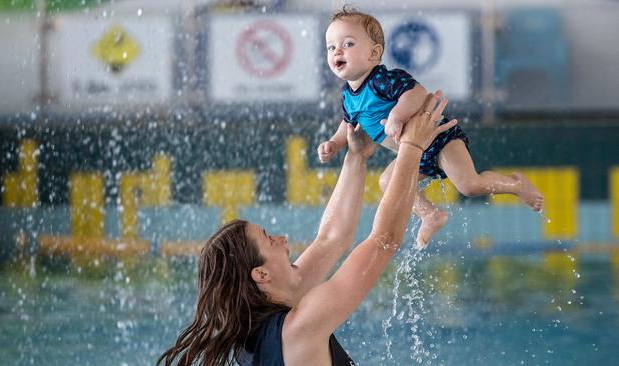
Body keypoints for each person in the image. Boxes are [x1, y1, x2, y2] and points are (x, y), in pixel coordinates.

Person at [157, 93, 455, 365]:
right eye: (269, 241)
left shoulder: (260, 329)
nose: (282, 240)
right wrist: (412, 147)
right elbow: (383, 242)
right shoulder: (299, 329)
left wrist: (356, 157)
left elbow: (331, 239)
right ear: (261, 274)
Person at [318, 7, 544, 248]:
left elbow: (417, 93)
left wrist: (396, 115)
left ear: (374, 53)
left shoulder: (383, 79)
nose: (337, 51)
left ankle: (516, 185)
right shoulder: (346, 96)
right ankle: (430, 215)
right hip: (414, 153)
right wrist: (334, 142)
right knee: (386, 183)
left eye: (348, 44)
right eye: (331, 47)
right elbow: (347, 125)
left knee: (469, 186)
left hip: (440, 138)